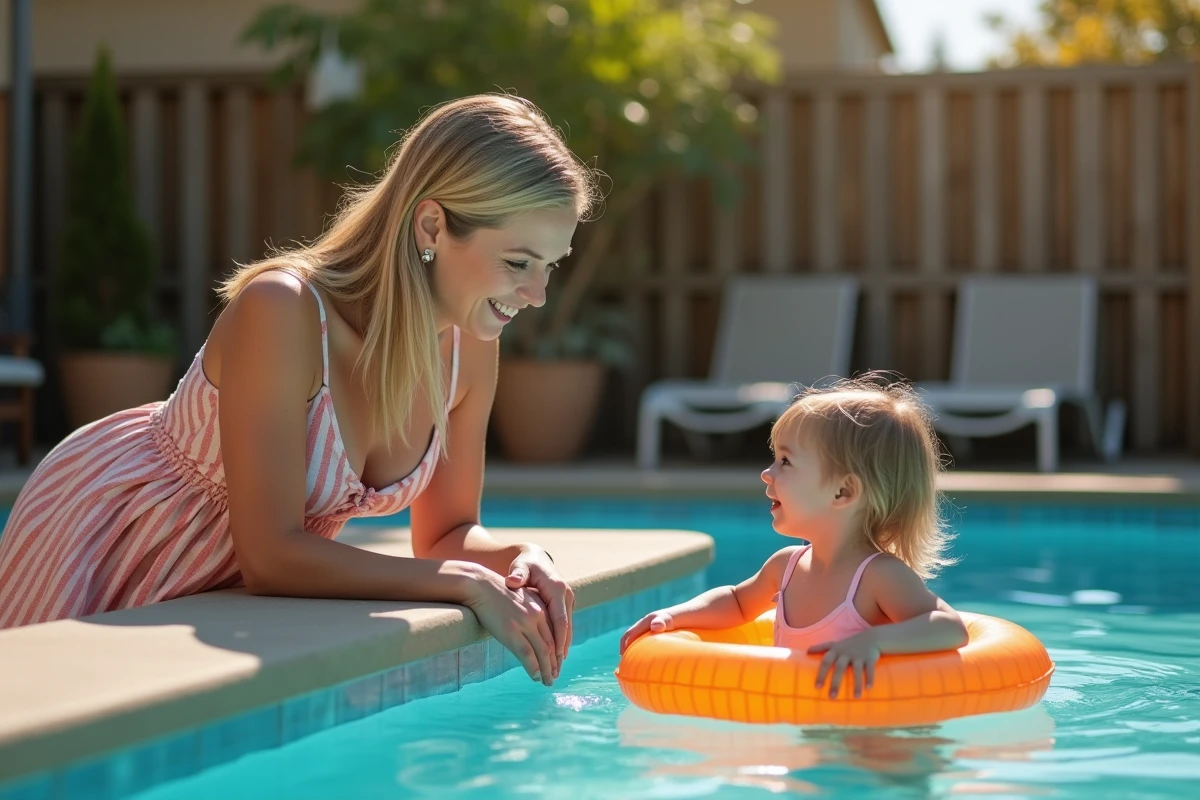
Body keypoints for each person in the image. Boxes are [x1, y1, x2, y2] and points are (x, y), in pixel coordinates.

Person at [0, 94, 597, 687]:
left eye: (551, 265)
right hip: (112, 537)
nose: (538, 295)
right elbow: (270, 554)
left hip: (224, 595)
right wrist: (465, 582)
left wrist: (520, 559)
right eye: (520, 263)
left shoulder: (470, 349)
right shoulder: (282, 310)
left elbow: (444, 535)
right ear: (432, 225)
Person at [620, 378, 970, 700]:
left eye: (785, 461)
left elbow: (949, 628)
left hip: (872, 737)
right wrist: (673, 615)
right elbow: (736, 603)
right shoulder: (785, 566)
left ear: (843, 491)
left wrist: (873, 641)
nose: (766, 472)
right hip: (804, 721)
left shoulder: (878, 577)